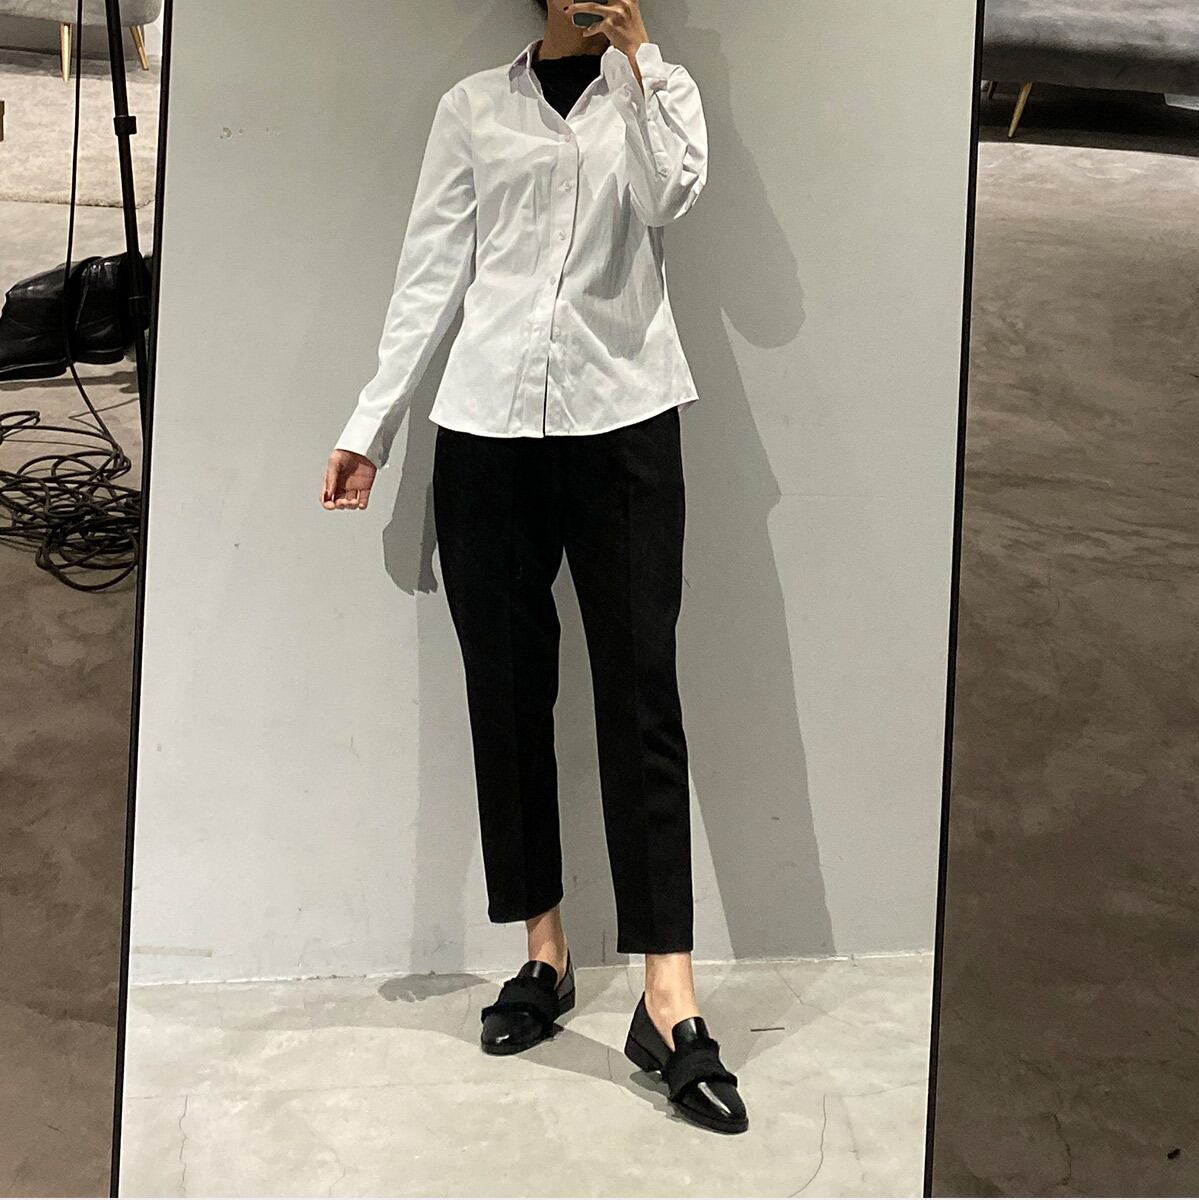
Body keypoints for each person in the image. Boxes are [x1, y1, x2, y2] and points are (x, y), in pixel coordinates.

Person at [320, 0, 746, 1134]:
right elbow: (430, 273)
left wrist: (639, 63)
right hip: (487, 431)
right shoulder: (472, 108)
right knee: (506, 696)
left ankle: (668, 997)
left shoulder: (660, 92)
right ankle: (544, 953)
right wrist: (372, 426)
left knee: (642, 696)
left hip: (627, 421)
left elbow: (670, 196)